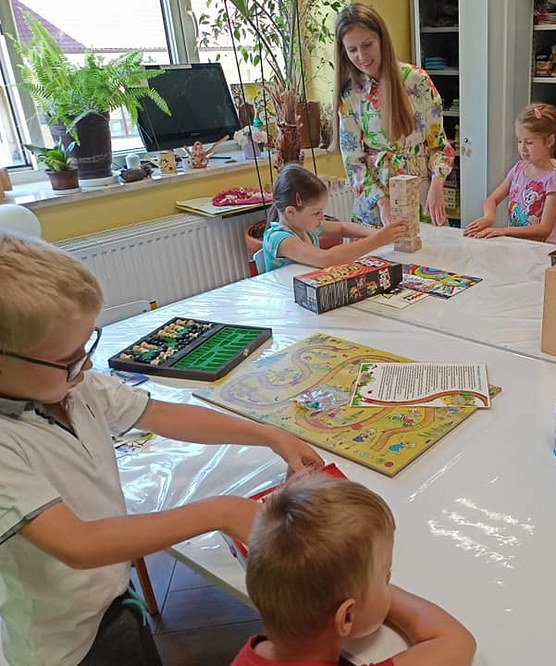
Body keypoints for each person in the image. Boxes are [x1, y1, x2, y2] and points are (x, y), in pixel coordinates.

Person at [0, 233, 323, 666]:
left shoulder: (78, 387)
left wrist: (270, 435)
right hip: (64, 646)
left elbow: (167, 416)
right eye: (68, 358)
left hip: (112, 597)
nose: (88, 364)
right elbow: (78, 544)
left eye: (88, 345)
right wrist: (219, 511)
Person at [231, 474, 476, 666]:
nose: (389, 584)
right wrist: (364, 584)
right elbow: (455, 641)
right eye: (386, 578)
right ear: (346, 617)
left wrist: (361, 583)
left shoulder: (249, 655)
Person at [334, 3, 455, 228]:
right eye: (352, 50)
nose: (361, 56)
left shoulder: (416, 81)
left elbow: (439, 146)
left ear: (381, 39)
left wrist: (438, 184)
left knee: (423, 249)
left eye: (367, 45)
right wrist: (381, 203)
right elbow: (353, 162)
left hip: (418, 197)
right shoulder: (350, 94)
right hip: (374, 205)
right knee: (378, 252)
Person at [263, 164, 406, 270]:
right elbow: (326, 259)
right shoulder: (279, 238)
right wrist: (379, 239)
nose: (322, 217)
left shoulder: (305, 226)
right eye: (316, 213)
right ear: (291, 212)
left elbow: (343, 228)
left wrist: (381, 233)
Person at [464, 103, 556, 243]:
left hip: (539, 249)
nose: (523, 148)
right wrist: (489, 217)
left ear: (550, 141)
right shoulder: (518, 169)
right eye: (520, 141)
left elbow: (544, 229)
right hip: (516, 245)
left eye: (529, 142)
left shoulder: (555, 179)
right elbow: (492, 200)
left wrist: (503, 231)